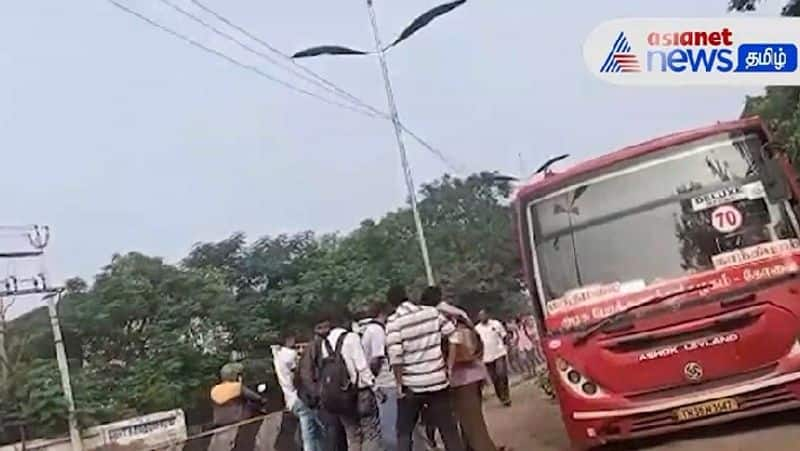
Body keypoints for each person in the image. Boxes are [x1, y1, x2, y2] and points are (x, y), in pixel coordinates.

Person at [386, 285, 464, 451]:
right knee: (448, 429)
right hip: (438, 381)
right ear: (407, 295)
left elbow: (396, 356)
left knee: (404, 432)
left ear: (391, 304)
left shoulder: (394, 322)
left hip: (411, 386)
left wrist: (399, 384)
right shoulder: (431, 313)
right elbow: (454, 336)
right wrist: (449, 367)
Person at [438, 301, 507, 451]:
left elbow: (465, 353)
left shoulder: (456, 333)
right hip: (472, 376)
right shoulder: (468, 329)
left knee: (471, 420)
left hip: (461, 379)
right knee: (471, 420)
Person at [315, 311, 385, 451]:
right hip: (360, 393)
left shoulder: (325, 344)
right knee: (370, 432)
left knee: (352, 435)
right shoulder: (351, 338)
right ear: (346, 322)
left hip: (339, 397)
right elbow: (362, 367)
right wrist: (376, 388)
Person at [272, 330, 325, 451]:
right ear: (289, 339)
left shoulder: (278, 356)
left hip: (290, 399)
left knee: (310, 433)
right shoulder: (290, 355)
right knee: (317, 431)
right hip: (300, 398)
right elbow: (302, 373)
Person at [359, 301, 398, 451]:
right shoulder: (376, 330)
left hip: (382, 383)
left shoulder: (370, 330)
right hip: (385, 383)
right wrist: (374, 381)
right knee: (390, 426)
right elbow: (377, 358)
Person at [210, 362, 267, 427]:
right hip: (239, 419)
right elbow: (256, 398)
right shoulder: (237, 386)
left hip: (219, 422)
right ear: (236, 376)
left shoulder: (214, 389)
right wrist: (263, 400)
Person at [474, 310, 511, 407]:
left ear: (487, 315)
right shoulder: (477, 329)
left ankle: (506, 395)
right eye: (480, 316)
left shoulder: (495, 324)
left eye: (484, 315)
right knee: (494, 378)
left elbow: (504, 335)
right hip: (486, 357)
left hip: (499, 353)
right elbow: (476, 343)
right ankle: (501, 396)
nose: (483, 317)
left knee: (501, 374)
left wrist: (507, 346)